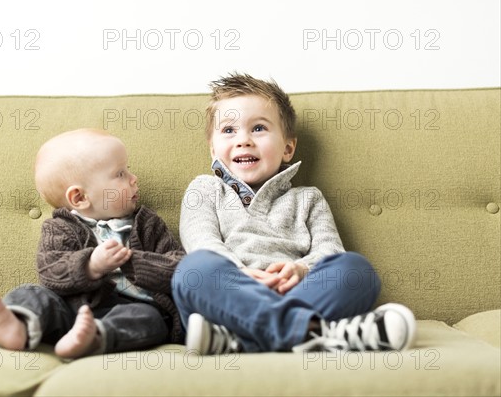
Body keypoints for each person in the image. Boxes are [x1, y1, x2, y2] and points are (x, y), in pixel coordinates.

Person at [172, 73, 416, 355]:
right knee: (194, 270)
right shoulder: (205, 188)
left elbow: (330, 250)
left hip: (298, 293)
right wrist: (241, 273)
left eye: (259, 128)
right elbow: (201, 241)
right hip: (231, 299)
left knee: (356, 270)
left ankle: (242, 342)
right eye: (229, 131)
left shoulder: (308, 198)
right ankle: (315, 333)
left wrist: (302, 269)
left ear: (288, 148)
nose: (243, 140)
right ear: (213, 149)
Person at [0, 129, 185, 358]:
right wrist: (91, 265)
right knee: (32, 292)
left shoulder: (148, 225)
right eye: (120, 173)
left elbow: (180, 266)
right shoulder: (60, 228)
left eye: (129, 169)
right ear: (80, 198)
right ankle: (19, 324)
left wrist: (135, 262)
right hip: (69, 309)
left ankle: (95, 337)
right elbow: (50, 271)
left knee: (151, 319)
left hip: (130, 308)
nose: (134, 179)